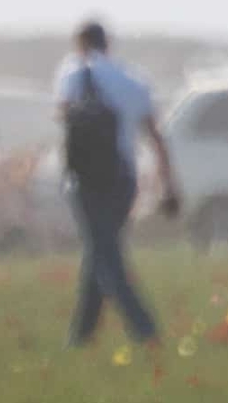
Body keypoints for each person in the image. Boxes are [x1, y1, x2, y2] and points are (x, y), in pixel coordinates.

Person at [51, 19, 180, 348]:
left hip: (85, 178)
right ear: (108, 44)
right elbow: (155, 136)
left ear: (80, 43)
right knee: (100, 250)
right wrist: (169, 184)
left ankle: (145, 330)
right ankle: (81, 335)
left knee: (105, 255)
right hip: (123, 176)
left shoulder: (71, 73)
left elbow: (62, 116)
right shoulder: (133, 79)